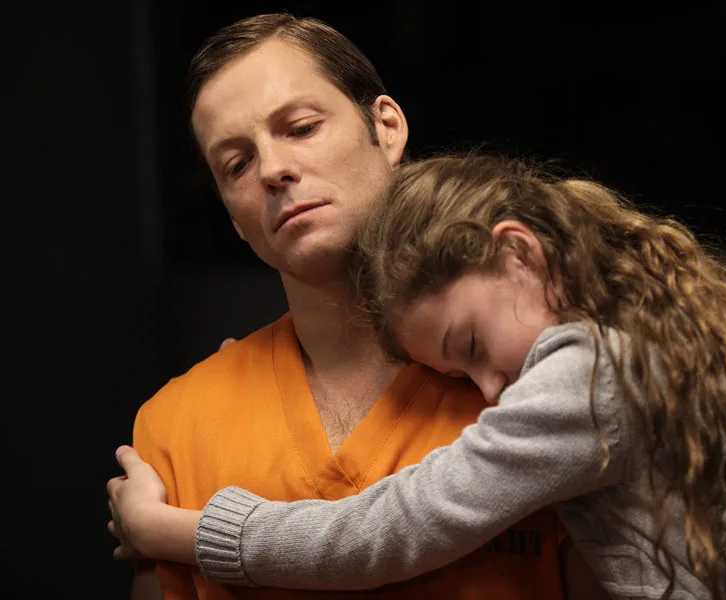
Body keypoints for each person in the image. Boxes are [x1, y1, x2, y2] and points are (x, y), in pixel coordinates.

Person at [109, 154, 726, 599]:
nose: (488, 389)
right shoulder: (646, 332)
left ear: (519, 251)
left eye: (472, 344)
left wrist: (173, 532)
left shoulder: (591, 375)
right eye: (459, 369)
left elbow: (394, 526)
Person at [113, 12, 590, 600]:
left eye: (301, 128)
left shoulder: (527, 371)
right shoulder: (179, 424)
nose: (272, 170)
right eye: (237, 165)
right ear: (231, 215)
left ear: (386, 127)